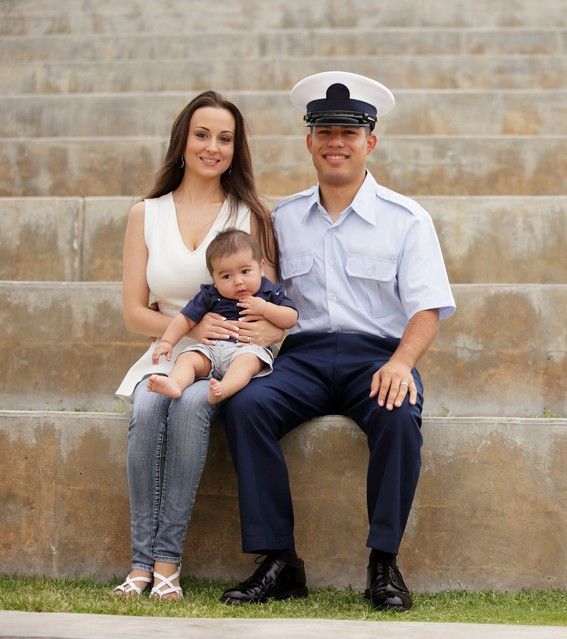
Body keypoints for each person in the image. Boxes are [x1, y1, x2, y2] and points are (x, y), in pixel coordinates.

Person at [220, 71, 456, 611]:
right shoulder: (282, 218)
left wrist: (401, 363)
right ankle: (280, 561)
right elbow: (267, 293)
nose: (336, 142)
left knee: (399, 413)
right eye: (324, 131)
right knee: (246, 404)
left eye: (349, 132)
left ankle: (384, 564)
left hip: (375, 356)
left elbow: (427, 308)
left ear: (369, 142)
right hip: (300, 358)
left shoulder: (406, 220)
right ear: (309, 141)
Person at [113, 90, 282, 600]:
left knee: (188, 406)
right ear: (182, 142)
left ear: (237, 148)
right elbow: (132, 311)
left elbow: (271, 309)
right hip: (167, 350)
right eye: (202, 135)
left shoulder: (248, 213)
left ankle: (167, 563)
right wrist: (190, 329)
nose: (213, 147)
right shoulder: (146, 213)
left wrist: (247, 340)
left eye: (225, 138)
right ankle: (139, 564)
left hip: (228, 356)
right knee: (148, 403)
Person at [147, 228, 298, 404]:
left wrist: (265, 309)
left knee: (246, 364)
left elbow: (291, 318)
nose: (238, 281)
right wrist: (167, 342)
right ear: (214, 279)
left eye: (245, 271)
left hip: (247, 349)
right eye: (226, 276)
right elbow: (185, 319)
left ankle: (224, 389)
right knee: (187, 358)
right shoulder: (210, 295)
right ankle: (175, 384)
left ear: (261, 268)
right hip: (211, 349)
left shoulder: (269, 292)